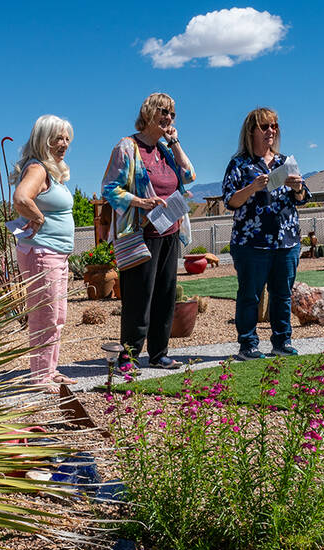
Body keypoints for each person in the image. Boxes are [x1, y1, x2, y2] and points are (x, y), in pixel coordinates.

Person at [101, 92, 195, 371]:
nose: (168, 118)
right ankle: (127, 358)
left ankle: (159, 354)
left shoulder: (166, 150)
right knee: (139, 297)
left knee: (165, 295)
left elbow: (189, 175)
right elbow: (109, 188)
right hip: (141, 233)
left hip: (169, 229)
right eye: (163, 112)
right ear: (148, 113)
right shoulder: (127, 147)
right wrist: (141, 202)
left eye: (172, 114)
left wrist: (175, 142)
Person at [221, 107, 309, 360]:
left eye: (274, 126)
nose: (271, 131)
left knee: (282, 295)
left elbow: (301, 199)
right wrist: (252, 187)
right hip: (251, 243)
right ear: (251, 131)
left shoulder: (284, 162)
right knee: (250, 295)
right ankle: (248, 345)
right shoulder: (239, 164)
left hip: (286, 240)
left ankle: (282, 342)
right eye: (265, 126)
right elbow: (230, 201)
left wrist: (298, 188)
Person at [11, 115, 76, 392]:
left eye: (66, 139)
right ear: (43, 139)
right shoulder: (37, 168)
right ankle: (40, 377)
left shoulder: (52, 171)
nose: (63, 144)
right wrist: (37, 219)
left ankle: (49, 370)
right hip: (42, 254)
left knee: (56, 316)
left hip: (55, 254)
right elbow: (21, 198)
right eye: (57, 138)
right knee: (45, 317)